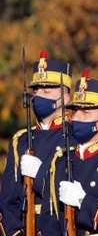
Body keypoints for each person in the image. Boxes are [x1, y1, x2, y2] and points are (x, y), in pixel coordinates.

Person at [22, 72, 98, 235]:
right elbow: (48, 220)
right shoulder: (60, 160)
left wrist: (83, 201)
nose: (77, 117)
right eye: (75, 112)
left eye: (85, 113)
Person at [1, 50, 74, 235]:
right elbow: (9, 198)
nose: (38, 96)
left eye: (46, 91)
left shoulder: (77, 135)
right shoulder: (21, 140)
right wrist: (16, 232)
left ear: (65, 99)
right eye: (35, 91)